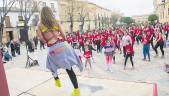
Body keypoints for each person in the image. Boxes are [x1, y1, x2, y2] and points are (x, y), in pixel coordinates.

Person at [37, 7, 83, 96]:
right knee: (69, 68)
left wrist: (48, 40)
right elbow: (64, 35)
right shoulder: (56, 21)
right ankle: (76, 91)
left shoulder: (39, 25)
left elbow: (42, 39)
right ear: (50, 13)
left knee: (50, 63)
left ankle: (56, 79)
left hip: (53, 48)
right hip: (63, 46)